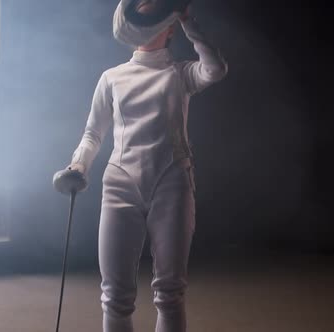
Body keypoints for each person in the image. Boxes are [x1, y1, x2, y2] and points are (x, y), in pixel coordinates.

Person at [55, 2, 227, 331]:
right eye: (142, 13)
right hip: (121, 185)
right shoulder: (112, 78)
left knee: (170, 293)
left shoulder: (180, 74)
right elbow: (94, 132)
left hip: (172, 184)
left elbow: (216, 68)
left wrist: (188, 18)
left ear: (170, 26)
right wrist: (79, 166)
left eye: (155, 15)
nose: (147, 22)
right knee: (115, 296)